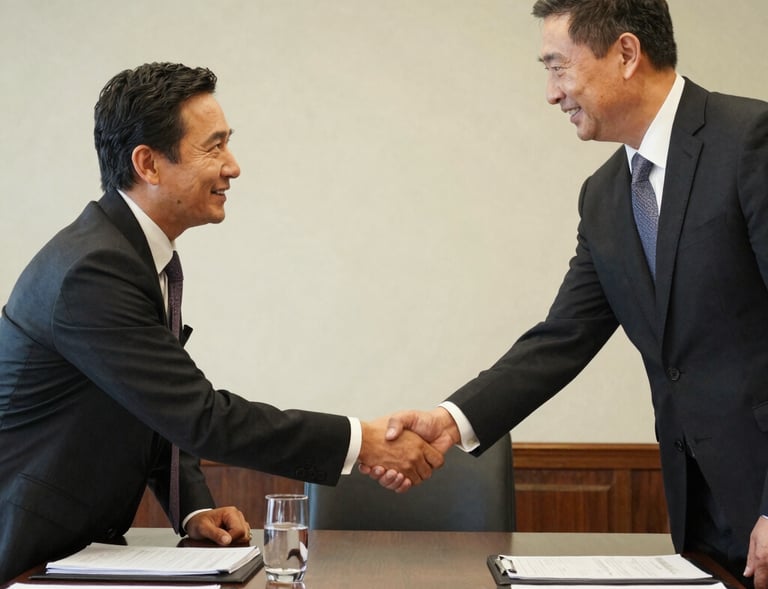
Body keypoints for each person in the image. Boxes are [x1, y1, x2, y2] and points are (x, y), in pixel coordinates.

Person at [368, 0, 768, 586]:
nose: (552, 93)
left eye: (558, 66)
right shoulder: (605, 195)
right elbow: (563, 338)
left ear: (626, 53)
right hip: (702, 514)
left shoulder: (750, 141)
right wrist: (452, 421)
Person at [0, 62, 445, 583]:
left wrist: (193, 511)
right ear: (148, 163)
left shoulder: (126, 251)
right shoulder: (95, 269)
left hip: (71, 550)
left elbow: (153, 403)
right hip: (23, 555)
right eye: (213, 147)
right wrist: (361, 439)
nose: (233, 166)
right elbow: (200, 416)